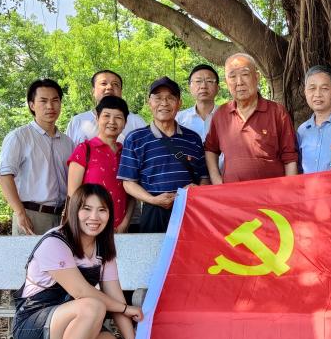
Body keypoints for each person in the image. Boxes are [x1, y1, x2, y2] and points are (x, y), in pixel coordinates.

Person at [10, 183, 142, 339]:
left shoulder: (103, 248)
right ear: (74, 211)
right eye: (86, 209)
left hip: (77, 321)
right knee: (92, 305)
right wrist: (124, 309)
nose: (94, 217)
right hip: (34, 324)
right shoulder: (55, 242)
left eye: (102, 210)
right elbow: (82, 292)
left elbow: (116, 297)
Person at [119, 77, 209, 232]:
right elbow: (128, 183)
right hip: (153, 211)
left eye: (170, 98)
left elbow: (204, 177)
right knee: (153, 248)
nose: (164, 103)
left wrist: (197, 192)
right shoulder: (135, 138)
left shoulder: (193, 138)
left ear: (179, 103)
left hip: (189, 210)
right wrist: (153, 200)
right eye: (158, 98)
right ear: (149, 103)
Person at [204, 53, 299, 183]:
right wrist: (216, 180)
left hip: (271, 193)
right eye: (232, 76)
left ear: (257, 77)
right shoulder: (221, 114)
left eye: (245, 74)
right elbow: (210, 149)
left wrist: (289, 188)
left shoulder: (277, 112)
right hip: (232, 193)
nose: (239, 82)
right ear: (226, 82)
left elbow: (290, 157)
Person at [0, 78, 74, 236]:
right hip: (31, 216)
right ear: (32, 105)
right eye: (43, 101)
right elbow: (4, 176)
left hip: (62, 218)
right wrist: (20, 212)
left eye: (55, 100)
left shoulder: (68, 142)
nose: (50, 106)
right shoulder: (19, 137)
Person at [67, 95, 133, 234]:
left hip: (119, 230)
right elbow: (73, 194)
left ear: (125, 122)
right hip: (89, 228)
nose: (112, 122)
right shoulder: (84, 149)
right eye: (106, 116)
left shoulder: (127, 153)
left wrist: (125, 223)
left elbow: (132, 194)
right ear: (97, 118)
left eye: (118, 117)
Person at [66, 70, 147, 145]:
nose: (109, 87)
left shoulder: (136, 122)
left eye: (115, 84)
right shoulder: (77, 122)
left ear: (121, 92)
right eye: (103, 83)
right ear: (93, 91)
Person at [296, 65, 331, 173]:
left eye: (324, 88)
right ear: (305, 92)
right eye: (312, 88)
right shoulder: (302, 131)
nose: (317, 94)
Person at [176, 64, 220, 141]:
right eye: (198, 81)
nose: (203, 86)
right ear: (189, 88)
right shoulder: (178, 119)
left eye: (209, 81)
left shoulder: (228, 117)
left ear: (218, 88)